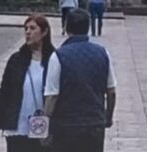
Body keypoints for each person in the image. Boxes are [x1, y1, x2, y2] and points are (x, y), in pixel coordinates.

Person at [43, 8, 115, 152]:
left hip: (66, 125)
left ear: (67, 27)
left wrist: (44, 126)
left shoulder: (58, 56)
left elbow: (52, 97)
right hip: (94, 123)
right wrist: (108, 117)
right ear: (88, 27)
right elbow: (111, 91)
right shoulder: (103, 53)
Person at [0, 14, 55, 150]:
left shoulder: (54, 60)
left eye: (32, 28)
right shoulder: (16, 60)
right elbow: (4, 94)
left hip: (42, 126)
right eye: (26, 29)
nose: (28, 32)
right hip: (17, 125)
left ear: (44, 32)